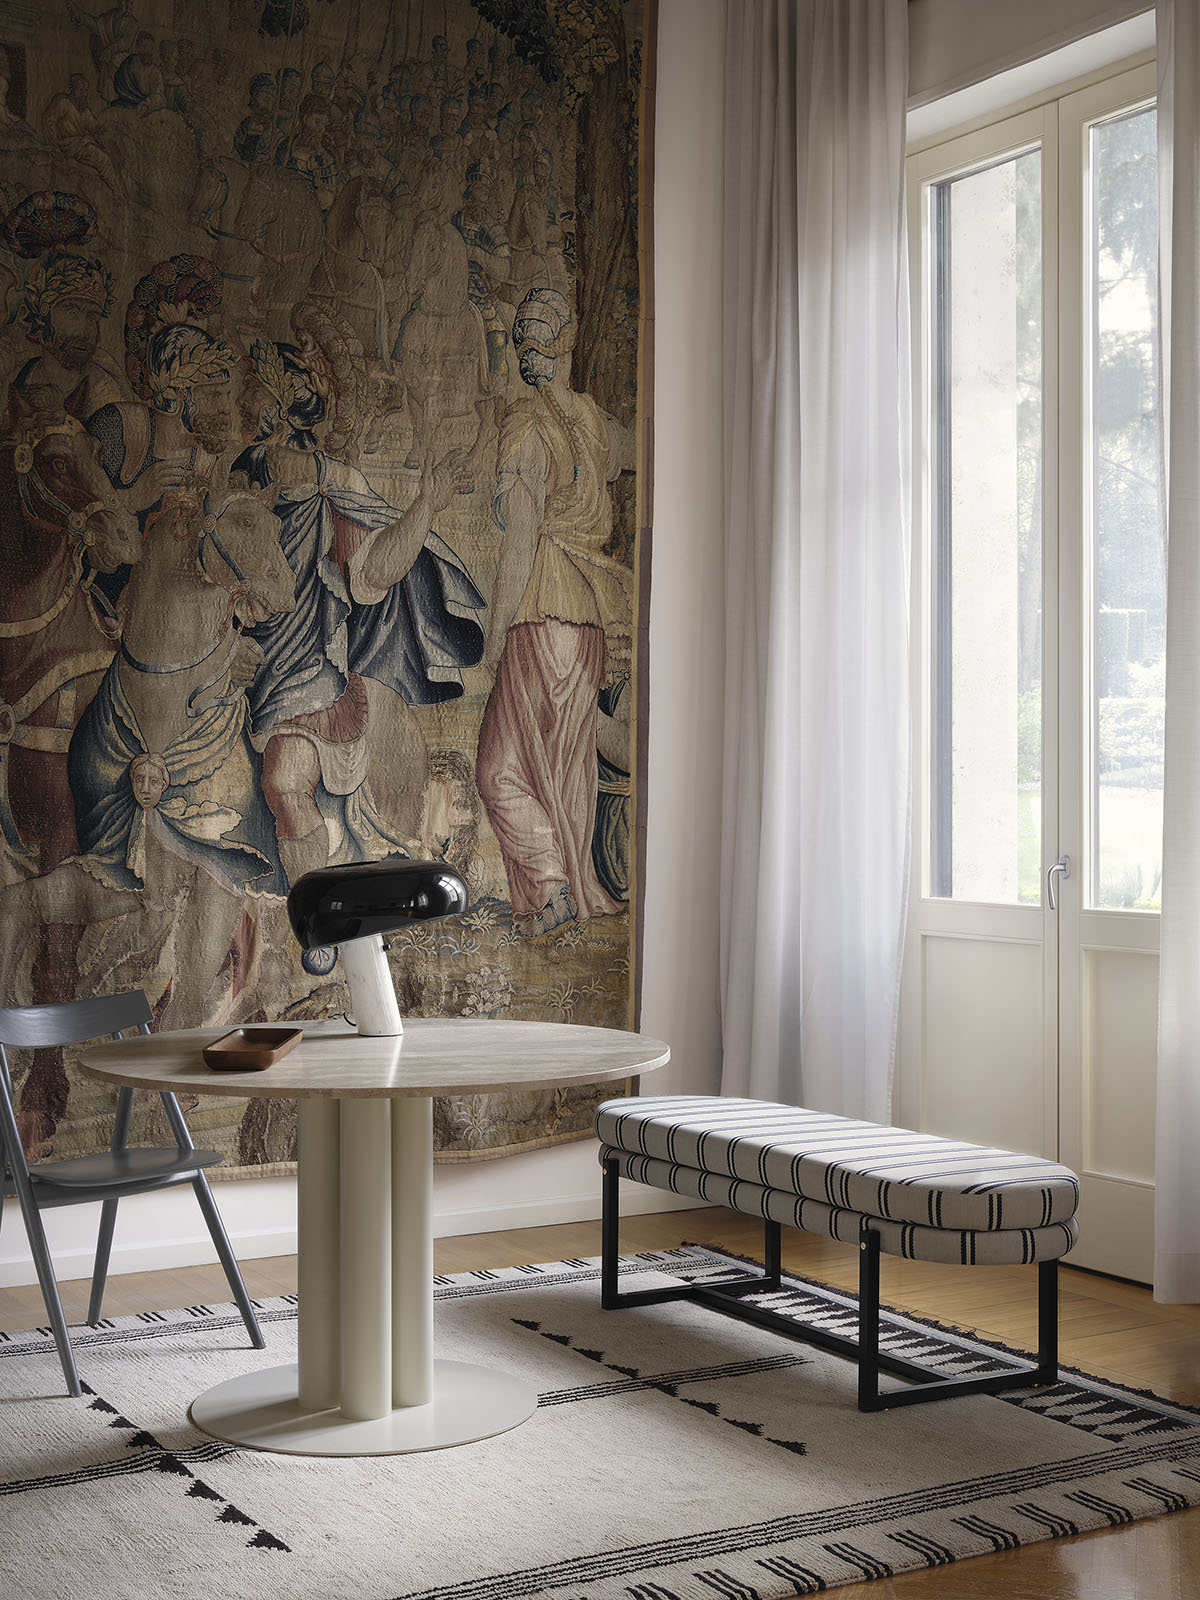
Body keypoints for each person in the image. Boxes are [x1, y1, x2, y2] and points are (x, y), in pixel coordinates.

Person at [475, 288, 634, 936]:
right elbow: (634, 452)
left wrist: (493, 639)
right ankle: (562, 893)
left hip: (541, 614)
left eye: (529, 337)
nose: (524, 351)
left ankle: (551, 886)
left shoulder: (526, 428)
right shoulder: (596, 422)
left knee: (499, 772)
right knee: (564, 772)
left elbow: (519, 545)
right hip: (589, 620)